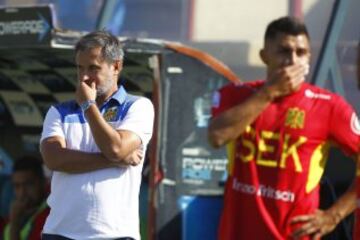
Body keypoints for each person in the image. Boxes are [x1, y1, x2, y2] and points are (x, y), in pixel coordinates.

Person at [208, 16, 360, 240]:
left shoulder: (329, 106)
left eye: (301, 53)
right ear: (264, 56)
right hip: (238, 232)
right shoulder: (236, 95)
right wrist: (269, 93)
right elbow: (216, 136)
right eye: (284, 51)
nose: (293, 60)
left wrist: (334, 215)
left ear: (309, 58)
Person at [39, 30, 154, 239]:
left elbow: (116, 148)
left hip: (115, 234)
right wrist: (113, 161)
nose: (84, 76)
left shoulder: (139, 106)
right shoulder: (59, 111)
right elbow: (54, 159)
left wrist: (88, 105)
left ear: (116, 66)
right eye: (80, 68)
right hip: (59, 233)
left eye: (93, 68)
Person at [0, 156, 50, 240]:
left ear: (43, 182)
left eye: (28, 184)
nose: (22, 192)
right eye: (17, 186)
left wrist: (15, 224)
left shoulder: (48, 216)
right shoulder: (15, 213)